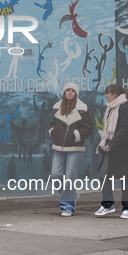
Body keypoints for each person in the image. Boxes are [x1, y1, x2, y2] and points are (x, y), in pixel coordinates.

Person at [48, 82, 94, 217]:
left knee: (69, 178)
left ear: (76, 93)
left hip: (75, 148)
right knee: (55, 175)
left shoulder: (82, 109)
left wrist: (76, 135)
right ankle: (72, 194)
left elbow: (89, 128)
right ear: (64, 92)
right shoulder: (57, 107)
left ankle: (67, 207)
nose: (69, 92)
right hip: (58, 147)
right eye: (67, 90)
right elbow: (52, 123)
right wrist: (53, 132)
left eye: (72, 91)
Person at [94, 84, 128, 219]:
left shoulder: (124, 108)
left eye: (108, 93)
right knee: (104, 173)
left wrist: (112, 144)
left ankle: (127, 208)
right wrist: (108, 144)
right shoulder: (110, 109)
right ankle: (108, 205)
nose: (106, 95)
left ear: (115, 95)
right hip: (112, 148)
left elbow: (124, 129)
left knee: (125, 178)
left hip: (125, 149)